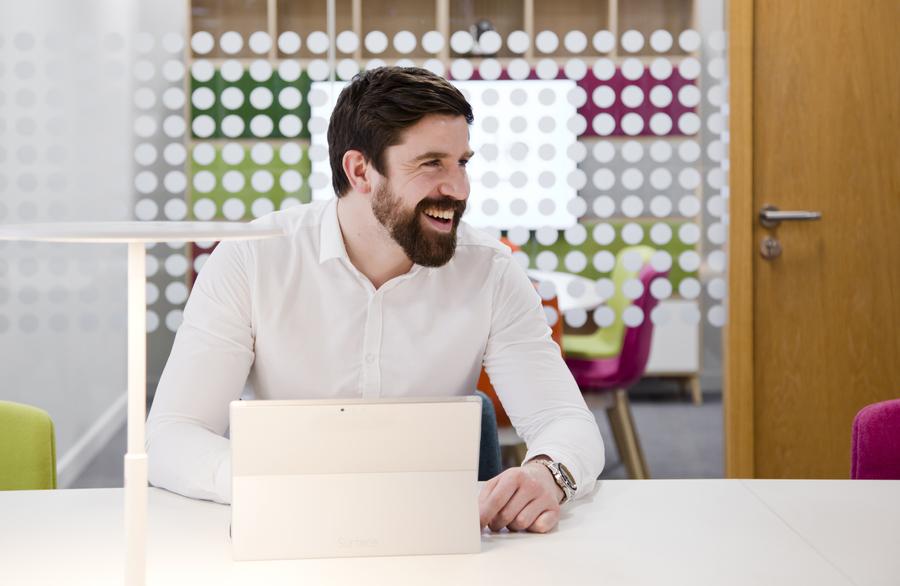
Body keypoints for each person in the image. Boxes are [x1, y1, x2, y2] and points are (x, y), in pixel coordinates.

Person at [146, 66, 605, 534]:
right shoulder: (253, 259)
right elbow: (171, 435)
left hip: (436, 536)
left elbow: (564, 420)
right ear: (360, 170)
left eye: (462, 162)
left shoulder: (490, 270)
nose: (460, 189)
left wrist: (549, 473)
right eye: (432, 164)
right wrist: (267, 483)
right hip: (295, 530)